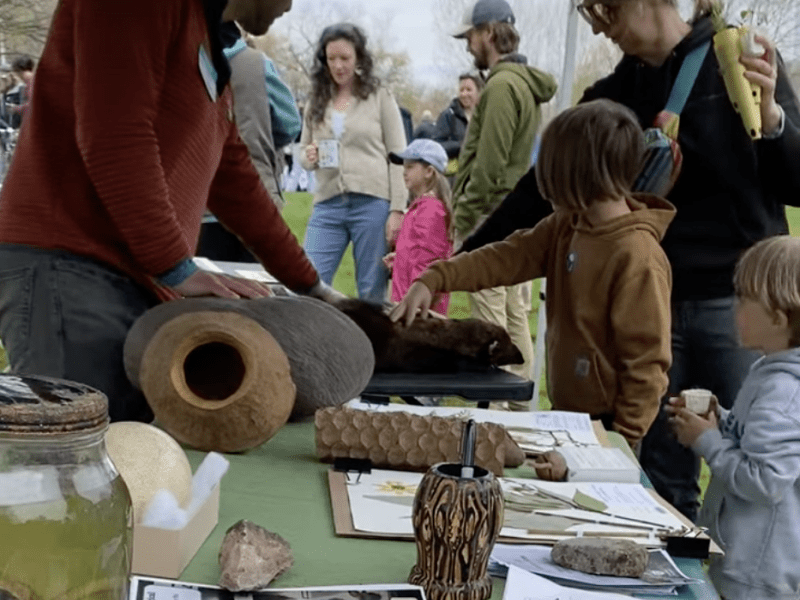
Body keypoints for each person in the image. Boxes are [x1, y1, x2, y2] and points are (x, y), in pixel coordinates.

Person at [463, 0, 800, 517]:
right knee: (661, 479)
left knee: (758, 466)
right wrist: (461, 258)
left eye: (610, 14)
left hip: (740, 308)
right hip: (652, 305)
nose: (604, 31)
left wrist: (773, 117)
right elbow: (541, 186)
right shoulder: (616, 92)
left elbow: (794, 183)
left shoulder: (737, 61)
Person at [0, 0, 343, 424]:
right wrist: (176, 267)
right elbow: (116, 135)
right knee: (79, 448)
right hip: (69, 266)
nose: (290, 5)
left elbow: (234, 179)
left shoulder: (207, 41)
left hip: (129, 276)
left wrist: (313, 286)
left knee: (132, 443)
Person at [391, 99, 675, 448]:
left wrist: (618, 445)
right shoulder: (565, 226)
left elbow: (647, 367)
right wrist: (434, 278)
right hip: (566, 416)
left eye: (552, 171)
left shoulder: (638, 257)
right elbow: (504, 258)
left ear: (581, 174)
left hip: (609, 432)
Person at [669, 235, 800, 600]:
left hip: (757, 578)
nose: (733, 307)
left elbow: (766, 481)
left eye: (743, 298)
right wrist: (720, 419)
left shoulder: (783, 394)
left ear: (777, 318)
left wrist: (707, 441)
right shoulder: (768, 370)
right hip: (746, 565)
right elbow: (753, 438)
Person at [450, 0, 557, 410]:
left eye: (471, 36)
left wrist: (464, 218)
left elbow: (489, 165)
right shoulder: (523, 83)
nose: (468, 46)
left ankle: (494, 412)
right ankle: (519, 408)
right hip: (515, 214)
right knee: (514, 316)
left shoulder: (500, 86)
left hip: (491, 215)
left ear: (489, 34)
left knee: (491, 319)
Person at [300, 23, 406, 302]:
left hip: (372, 204)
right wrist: (308, 157)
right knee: (307, 284)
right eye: (331, 58)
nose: (338, 65)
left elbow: (398, 155)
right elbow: (303, 149)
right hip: (328, 204)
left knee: (371, 293)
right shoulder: (316, 100)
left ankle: (369, 334)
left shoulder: (380, 96)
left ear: (358, 57)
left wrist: (397, 209)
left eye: (345, 58)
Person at [197, 20, 303, 262]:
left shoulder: (186, 61)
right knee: (256, 280)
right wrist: (263, 136)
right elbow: (290, 124)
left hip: (202, 200)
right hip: (256, 196)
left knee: (208, 281)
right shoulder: (257, 64)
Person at [383, 139, 453, 315]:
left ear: (429, 171)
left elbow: (427, 261)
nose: (404, 172)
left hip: (418, 310)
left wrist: (415, 305)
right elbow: (417, 251)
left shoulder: (431, 210)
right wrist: (400, 259)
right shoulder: (420, 208)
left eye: (410, 167)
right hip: (409, 305)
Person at [432, 71, 484, 177]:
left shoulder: (485, 115)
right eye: (461, 90)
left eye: (469, 90)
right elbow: (437, 146)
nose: (464, 94)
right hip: (455, 176)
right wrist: (462, 145)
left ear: (479, 92)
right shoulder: (448, 115)